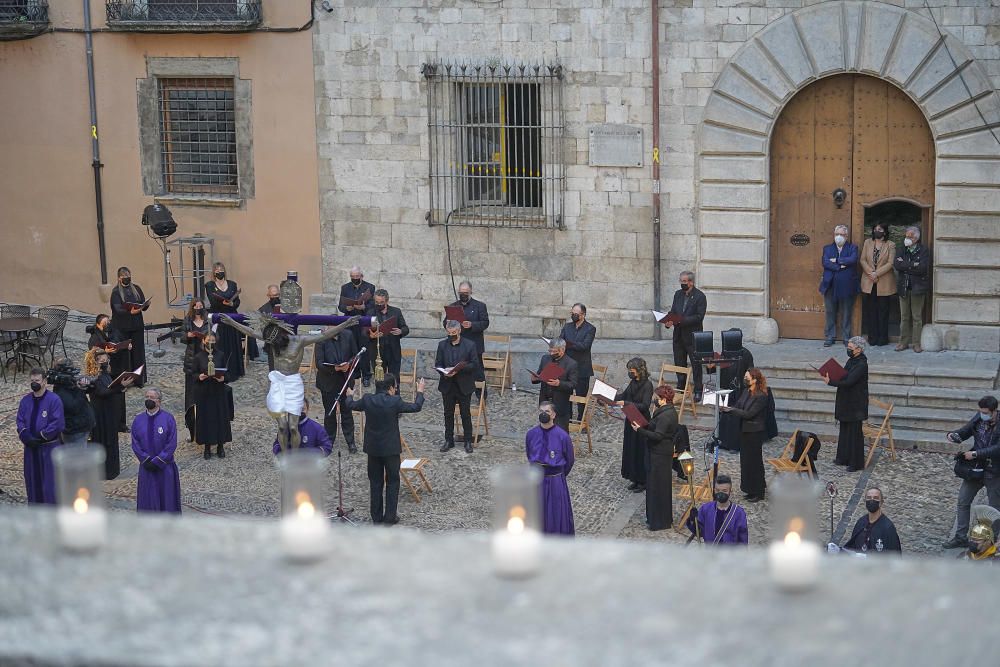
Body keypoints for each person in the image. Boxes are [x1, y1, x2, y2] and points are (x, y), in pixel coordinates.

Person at [219, 312, 360, 452]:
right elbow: (250, 331)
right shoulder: (272, 339)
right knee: (282, 426)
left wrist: (346, 323)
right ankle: (285, 455)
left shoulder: (299, 340)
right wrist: (232, 322)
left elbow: (324, 335)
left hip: (293, 383)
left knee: (293, 427)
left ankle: (295, 455)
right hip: (278, 383)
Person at [345, 374, 426, 525]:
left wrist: (349, 396)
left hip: (373, 449)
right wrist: (420, 391)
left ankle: (376, 517)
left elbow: (351, 405)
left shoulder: (368, 399)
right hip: (390, 449)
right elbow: (416, 407)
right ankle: (389, 517)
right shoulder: (395, 401)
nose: (395, 390)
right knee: (393, 482)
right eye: (395, 387)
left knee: (375, 482)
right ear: (390, 388)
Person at [942, 396, 1000, 550]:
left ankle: (991, 541)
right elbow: (966, 430)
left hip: (995, 471)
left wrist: (975, 454)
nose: (983, 415)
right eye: (980, 412)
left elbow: (997, 449)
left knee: (994, 509)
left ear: (994, 411)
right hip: (976, 469)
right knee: (963, 500)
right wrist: (954, 435)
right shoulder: (979, 418)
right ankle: (960, 537)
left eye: (986, 412)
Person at [16, 368, 65, 504]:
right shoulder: (25, 401)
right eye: (32, 381)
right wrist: (26, 436)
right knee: (32, 481)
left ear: (44, 381)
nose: (34, 383)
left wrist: (41, 436)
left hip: (48, 449)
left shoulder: (54, 400)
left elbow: (57, 423)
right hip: (31, 450)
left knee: (49, 484)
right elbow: (20, 421)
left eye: (37, 380)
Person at [525, 401, 575, 535]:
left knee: (556, 511)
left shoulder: (563, 436)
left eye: (546, 411)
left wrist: (558, 475)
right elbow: (529, 454)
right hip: (537, 480)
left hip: (555, 480)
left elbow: (569, 460)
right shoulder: (531, 434)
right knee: (537, 510)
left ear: (553, 415)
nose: (543, 414)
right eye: (541, 411)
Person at [722, 367, 769, 502]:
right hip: (744, 431)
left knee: (755, 462)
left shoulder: (761, 396)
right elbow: (739, 406)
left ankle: (759, 491)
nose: (745, 380)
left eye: (747, 378)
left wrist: (731, 410)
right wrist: (727, 408)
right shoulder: (746, 391)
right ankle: (749, 489)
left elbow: (749, 414)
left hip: (754, 432)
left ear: (754, 379)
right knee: (746, 462)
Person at [131, 387, 181, 513]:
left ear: (159, 401)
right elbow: (135, 443)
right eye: (146, 397)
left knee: (166, 498)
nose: (148, 400)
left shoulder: (168, 419)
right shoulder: (138, 420)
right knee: (148, 497)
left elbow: (171, 442)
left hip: (165, 467)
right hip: (146, 467)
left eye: (151, 397)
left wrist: (159, 460)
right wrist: (145, 459)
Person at [634, 384, 678, 530]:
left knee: (658, 488)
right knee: (654, 487)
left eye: (657, 398)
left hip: (660, 455)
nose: (654, 400)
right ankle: (654, 518)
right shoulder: (664, 411)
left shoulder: (666, 415)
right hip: (657, 453)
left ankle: (659, 521)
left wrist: (640, 430)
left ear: (664, 399)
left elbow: (658, 436)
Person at [823, 336, 869, 472]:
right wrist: (832, 374)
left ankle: (856, 463)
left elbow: (849, 381)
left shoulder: (861, 364)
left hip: (856, 405)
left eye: (850, 348)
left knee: (854, 434)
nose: (848, 350)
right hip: (847, 402)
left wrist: (830, 382)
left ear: (859, 349)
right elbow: (844, 375)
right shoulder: (852, 360)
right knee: (844, 431)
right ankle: (843, 457)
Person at [314, 320, 360, 453]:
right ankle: (329, 442)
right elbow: (319, 363)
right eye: (331, 326)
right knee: (330, 414)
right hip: (328, 382)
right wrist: (335, 368)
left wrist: (349, 364)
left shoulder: (348, 335)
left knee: (347, 413)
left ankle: (350, 442)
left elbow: (356, 355)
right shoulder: (321, 339)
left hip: (345, 381)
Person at [435, 320, 480, 453]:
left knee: (465, 414)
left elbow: (475, 364)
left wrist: (460, 368)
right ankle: (449, 440)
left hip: (464, 384)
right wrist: (444, 372)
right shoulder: (442, 345)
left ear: (459, 331)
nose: (451, 335)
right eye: (449, 333)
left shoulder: (470, 345)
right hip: (447, 384)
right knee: (448, 414)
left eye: (454, 333)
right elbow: (438, 364)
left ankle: (467, 441)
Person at [88, 349, 132, 479]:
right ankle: (104, 472)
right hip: (101, 415)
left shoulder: (106, 374)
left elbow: (111, 388)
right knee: (103, 441)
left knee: (111, 441)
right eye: (101, 360)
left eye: (106, 360)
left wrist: (121, 387)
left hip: (109, 413)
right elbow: (103, 392)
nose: (105, 362)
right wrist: (119, 387)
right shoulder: (94, 377)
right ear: (95, 362)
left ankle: (112, 471)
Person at [444, 281, 490, 399]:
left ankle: (481, 397)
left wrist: (472, 325)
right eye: (461, 293)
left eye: (465, 293)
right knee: (459, 370)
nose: (463, 295)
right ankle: (460, 394)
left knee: (478, 371)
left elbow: (485, 323)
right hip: (458, 345)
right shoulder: (453, 306)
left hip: (475, 345)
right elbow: (445, 322)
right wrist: (448, 324)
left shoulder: (480, 306)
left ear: (470, 292)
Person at [664, 271, 707, 400]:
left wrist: (681, 320)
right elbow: (673, 311)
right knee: (679, 363)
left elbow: (699, 317)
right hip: (678, 335)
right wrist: (668, 320)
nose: (682, 284)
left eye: (684, 281)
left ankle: (698, 390)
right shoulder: (678, 294)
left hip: (693, 337)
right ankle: (681, 388)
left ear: (691, 282)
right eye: (681, 281)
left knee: (696, 364)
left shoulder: (700, 296)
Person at [613, 357, 654, 492]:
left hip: (641, 421)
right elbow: (623, 396)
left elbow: (645, 405)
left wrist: (626, 403)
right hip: (630, 419)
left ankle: (643, 481)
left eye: (632, 371)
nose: (630, 373)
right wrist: (609, 396)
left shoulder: (648, 385)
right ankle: (634, 478)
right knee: (631, 449)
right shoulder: (632, 382)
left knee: (640, 451)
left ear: (639, 371)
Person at [87, 313, 131, 434]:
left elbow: (120, 340)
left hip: (116, 368)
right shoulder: (94, 338)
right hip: (105, 373)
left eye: (108, 322)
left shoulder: (113, 331)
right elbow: (92, 355)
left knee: (120, 397)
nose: (108, 325)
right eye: (105, 323)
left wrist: (126, 345)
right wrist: (104, 352)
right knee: (111, 396)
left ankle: (121, 424)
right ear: (98, 324)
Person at [713, 328, 755, 451]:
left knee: (735, 417)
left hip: (740, 391)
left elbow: (750, 372)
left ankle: (735, 444)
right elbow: (720, 369)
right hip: (726, 389)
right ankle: (723, 440)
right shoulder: (725, 353)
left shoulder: (746, 354)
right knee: (724, 416)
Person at [193, 333, 233, 460]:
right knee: (206, 420)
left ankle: (220, 446)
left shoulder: (220, 355)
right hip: (204, 392)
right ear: (203, 341)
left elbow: (228, 373)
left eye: (213, 340)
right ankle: (207, 447)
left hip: (218, 391)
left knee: (220, 418)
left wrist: (223, 379)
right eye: (208, 340)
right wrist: (199, 377)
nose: (210, 342)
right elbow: (193, 374)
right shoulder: (198, 356)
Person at [819, 224, 859, 348]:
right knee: (830, 311)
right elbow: (825, 262)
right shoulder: (827, 248)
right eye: (837, 234)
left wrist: (835, 260)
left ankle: (846, 337)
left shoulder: (853, 248)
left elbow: (852, 260)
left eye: (841, 234)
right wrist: (840, 266)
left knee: (846, 312)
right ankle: (830, 336)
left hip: (847, 286)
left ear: (846, 236)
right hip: (830, 285)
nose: (839, 237)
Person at [109, 266, 149, 386]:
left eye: (128, 277)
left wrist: (145, 305)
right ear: (119, 278)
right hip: (122, 327)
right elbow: (117, 309)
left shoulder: (136, 288)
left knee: (138, 354)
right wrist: (129, 312)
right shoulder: (116, 292)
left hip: (136, 326)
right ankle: (126, 381)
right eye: (124, 277)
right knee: (125, 356)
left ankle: (139, 380)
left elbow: (142, 302)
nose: (127, 279)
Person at [204, 261, 244, 382]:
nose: (219, 271)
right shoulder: (210, 285)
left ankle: (234, 371)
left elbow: (237, 301)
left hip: (232, 316)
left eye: (221, 269)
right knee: (220, 344)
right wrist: (223, 302)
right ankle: (220, 372)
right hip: (219, 317)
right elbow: (212, 300)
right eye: (217, 270)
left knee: (233, 343)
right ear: (214, 272)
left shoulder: (232, 284)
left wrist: (232, 303)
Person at [894, 225, 932, 353]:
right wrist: (913, 264)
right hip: (903, 287)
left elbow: (922, 268)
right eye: (906, 236)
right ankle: (903, 342)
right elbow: (897, 265)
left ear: (916, 238)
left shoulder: (924, 250)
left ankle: (916, 343)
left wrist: (906, 265)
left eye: (910, 236)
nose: (907, 238)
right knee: (904, 317)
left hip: (917, 288)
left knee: (917, 317)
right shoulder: (901, 249)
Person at [833, 486, 901, 555]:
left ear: (881, 502)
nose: (872, 500)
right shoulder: (861, 522)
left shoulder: (888, 527)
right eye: (869, 498)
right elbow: (851, 547)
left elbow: (894, 556)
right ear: (865, 502)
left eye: (875, 498)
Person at [859, 223, 896, 347]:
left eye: (879, 229)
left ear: (884, 232)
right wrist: (871, 273)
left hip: (884, 282)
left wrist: (877, 273)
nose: (876, 231)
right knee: (871, 311)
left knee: (883, 311)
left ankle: (882, 338)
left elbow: (891, 263)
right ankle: (872, 337)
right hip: (869, 281)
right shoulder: (867, 242)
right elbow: (862, 260)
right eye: (875, 229)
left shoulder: (890, 244)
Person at [532, 338, 579, 432]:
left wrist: (559, 383)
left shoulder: (571, 364)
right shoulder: (545, 359)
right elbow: (540, 375)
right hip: (545, 399)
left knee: (561, 431)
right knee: (544, 429)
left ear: (562, 350)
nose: (551, 353)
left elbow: (573, 384)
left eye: (554, 351)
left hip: (561, 402)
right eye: (550, 350)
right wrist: (535, 379)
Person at [686, 474, 749, 545]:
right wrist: (692, 520)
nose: (721, 493)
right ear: (714, 490)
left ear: (730, 491)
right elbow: (698, 532)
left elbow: (743, 538)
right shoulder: (705, 509)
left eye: (724, 491)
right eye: (718, 490)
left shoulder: (739, 513)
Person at [339, 266, 376, 386]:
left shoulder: (369, 287)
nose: (355, 279)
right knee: (351, 348)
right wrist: (347, 307)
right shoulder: (345, 288)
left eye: (357, 277)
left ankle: (366, 375)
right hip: (350, 322)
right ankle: (353, 373)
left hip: (363, 322)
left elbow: (372, 306)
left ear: (361, 276)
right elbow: (341, 306)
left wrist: (364, 307)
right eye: (352, 277)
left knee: (364, 348)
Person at [561, 303, 597, 420]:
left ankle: (582, 420)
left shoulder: (590, 328)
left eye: (576, 314)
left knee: (581, 396)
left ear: (583, 315)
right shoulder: (567, 327)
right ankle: (568, 417)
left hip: (582, 368)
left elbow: (585, 346)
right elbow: (561, 342)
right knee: (567, 394)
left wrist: (569, 344)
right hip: (567, 367)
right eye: (572, 313)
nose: (573, 315)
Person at [181, 299, 210, 442]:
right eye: (196, 306)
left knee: (205, 396)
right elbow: (181, 337)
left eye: (200, 306)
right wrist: (188, 335)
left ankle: (205, 428)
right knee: (191, 397)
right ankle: (191, 429)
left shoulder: (208, 320)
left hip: (205, 360)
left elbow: (215, 337)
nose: (198, 308)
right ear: (192, 307)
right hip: (192, 362)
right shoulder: (187, 320)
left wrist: (207, 338)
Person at [49, 359, 94, 447]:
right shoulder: (60, 391)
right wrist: (81, 389)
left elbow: (92, 388)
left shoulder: (70, 383)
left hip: (81, 426)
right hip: (75, 430)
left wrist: (85, 386)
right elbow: (74, 407)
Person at [366, 289, 408, 380]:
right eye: (377, 302)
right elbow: (364, 332)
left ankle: (395, 394)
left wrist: (400, 331)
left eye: (382, 302)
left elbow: (405, 328)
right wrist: (371, 336)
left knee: (395, 379)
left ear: (387, 301)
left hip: (393, 351)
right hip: (378, 353)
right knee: (380, 381)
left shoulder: (396, 311)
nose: (379, 304)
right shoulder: (370, 313)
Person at [258, 284, 282, 370]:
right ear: (268, 295)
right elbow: (261, 327)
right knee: (273, 368)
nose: (275, 297)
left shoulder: (287, 307)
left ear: (279, 294)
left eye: (276, 295)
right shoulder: (263, 310)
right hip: (271, 342)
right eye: (272, 295)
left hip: (286, 341)